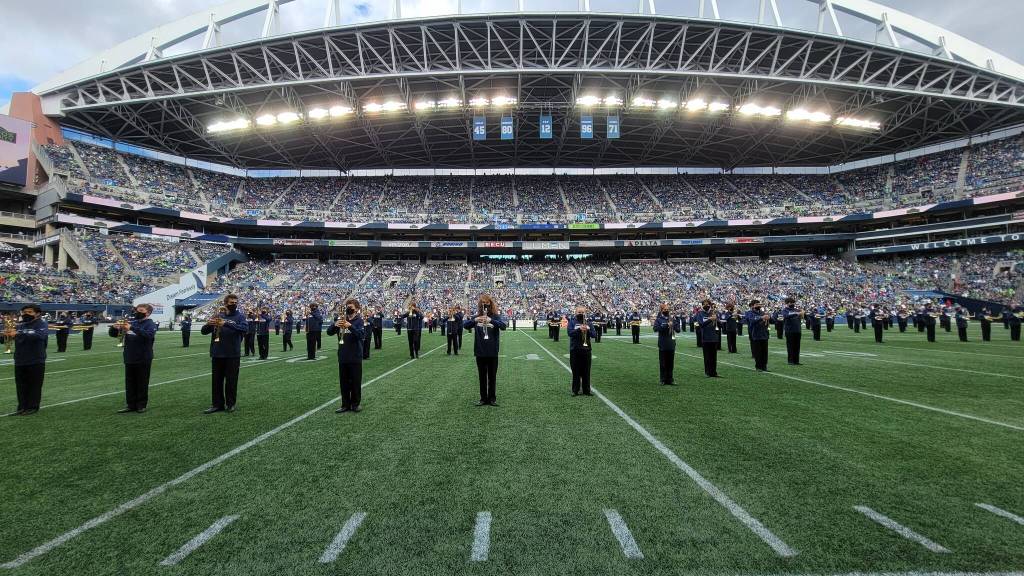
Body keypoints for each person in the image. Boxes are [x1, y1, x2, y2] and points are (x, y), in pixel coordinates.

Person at [200, 295, 249, 413]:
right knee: (216, 381)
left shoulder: (240, 316)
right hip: (217, 352)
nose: (234, 304)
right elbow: (203, 332)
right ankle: (217, 404)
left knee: (231, 381)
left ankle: (231, 404)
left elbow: (244, 329)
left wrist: (226, 324)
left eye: (235, 302)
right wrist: (209, 324)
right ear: (226, 303)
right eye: (232, 302)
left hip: (232, 353)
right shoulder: (218, 315)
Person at [109, 303, 157, 413]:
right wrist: (114, 328)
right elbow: (114, 335)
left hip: (143, 357)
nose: (137, 312)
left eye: (141, 310)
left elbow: (148, 335)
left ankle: (141, 405)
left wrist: (132, 328)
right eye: (137, 310)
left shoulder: (150, 324)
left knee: (142, 382)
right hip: (129, 356)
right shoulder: (132, 322)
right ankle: (130, 405)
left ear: (148, 313)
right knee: (129, 382)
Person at [464, 294, 506, 406]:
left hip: (492, 351)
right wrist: (476, 319)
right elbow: (466, 325)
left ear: (490, 304)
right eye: (482, 303)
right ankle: (483, 398)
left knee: (492, 377)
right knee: (482, 377)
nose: (485, 306)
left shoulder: (495, 316)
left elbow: (503, 326)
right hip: (480, 351)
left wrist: (491, 320)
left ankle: (492, 398)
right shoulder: (477, 316)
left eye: (487, 303)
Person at [6, 304, 48, 416]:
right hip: (20, 359)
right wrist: (6, 335)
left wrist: (18, 333)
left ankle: (33, 407)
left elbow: (39, 336)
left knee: (34, 385)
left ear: (37, 313)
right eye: (24, 312)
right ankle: (22, 407)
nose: (26, 314)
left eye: (29, 312)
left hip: (36, 360)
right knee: (20, 385)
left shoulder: (42, 324)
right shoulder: (20, 325)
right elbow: (11, 338)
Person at [326, 298, 366, 413]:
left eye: (351, 307)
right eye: (347, 306)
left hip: (355, 356)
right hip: (343, 355)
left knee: (355, 382)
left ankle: (355, 404)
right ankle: (345, 405)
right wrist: (335, 325)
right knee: (343, 382)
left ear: (357, 309)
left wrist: (350, 326)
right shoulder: (340, 319)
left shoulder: (359, 321)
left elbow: (361, 335)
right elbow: (329, 332)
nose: (349, 308)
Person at [652, 303, 680, 386]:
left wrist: (674, 325)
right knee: (663, 363)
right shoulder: (658, 319)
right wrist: (667, 325)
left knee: (670, 363)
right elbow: (656, 329)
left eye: (667, 309)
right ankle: (663, 379)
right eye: (665, 309)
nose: (666, 310)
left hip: (671, 343)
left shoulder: (672, 319)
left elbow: (678, 330)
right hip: (663, 343)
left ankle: (670, 379)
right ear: (661, 310)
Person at [568, 306, 593, 396]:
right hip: (575, 350)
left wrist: (588, 330)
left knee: (586, 371)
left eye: (582, 312)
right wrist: (579, 329)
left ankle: (586, 390)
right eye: (579, 312)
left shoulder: (589, 322)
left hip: (586, 350)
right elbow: (570, 333)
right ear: (575, 313)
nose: (580, 314)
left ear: (585, 313)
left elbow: (594, 335)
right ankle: (575, 390)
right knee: (576, 371)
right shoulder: (572, 322)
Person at [696, 300, 720, 377]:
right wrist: (710, 319)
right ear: (702, 305)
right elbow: (701, 325)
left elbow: (721, 325)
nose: (706, 306)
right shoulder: (700, 314)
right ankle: (707, 372)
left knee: (714, 356)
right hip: (705, 337)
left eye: (708, 304)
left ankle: (714, 372)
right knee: (707, 356)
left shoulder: (714, 313)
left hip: (714, 337)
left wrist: (716, 319)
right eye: (704, 304)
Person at [746, 300, 770, 371]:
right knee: (758, 352)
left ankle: (764, 366)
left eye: (759, 304)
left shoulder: (763, 313)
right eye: (757, 304)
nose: (759, 305)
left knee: (764, 352)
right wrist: (762, 318)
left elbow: (773, 321)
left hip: (764, 334)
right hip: (756, 334)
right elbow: (752, 321)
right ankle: (758, 367)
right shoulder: (750, 313)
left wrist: (769, 317)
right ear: (753, 306)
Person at [782, 297, 803, 365]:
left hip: (797, 330)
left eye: (793, 303)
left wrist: (803, 313)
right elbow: (786, 316)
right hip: (789, 330)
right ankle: (790, 361)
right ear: (787, 303)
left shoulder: (797, 310)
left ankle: (796, 361)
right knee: (790, 346)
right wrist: (797, 313)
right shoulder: (785, 310)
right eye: (791, 303)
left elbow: (802, 316)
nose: (793, 304)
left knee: (797, 346)